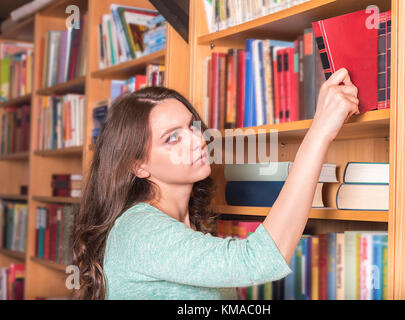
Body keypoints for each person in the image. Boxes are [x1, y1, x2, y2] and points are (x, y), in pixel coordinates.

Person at [72, 67, 359, 300]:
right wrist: (320, 130)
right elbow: (259, 259)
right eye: (172, 138)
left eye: (192, 126)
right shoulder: (140, 230)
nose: (198, 140)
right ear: (139, 166)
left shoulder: (188, 227)